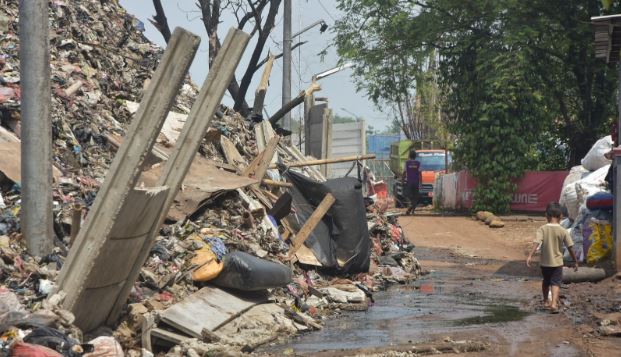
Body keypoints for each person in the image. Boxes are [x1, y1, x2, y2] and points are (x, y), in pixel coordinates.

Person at [526, 202, 578, 313]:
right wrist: (575, 260)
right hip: (557, 263)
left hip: (545, 263)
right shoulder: (563, 230)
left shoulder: (542, 229)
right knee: (556, 283)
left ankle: (545, 301)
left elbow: (536, 242)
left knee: (546, 281)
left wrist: (530, 255)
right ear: (561, 216)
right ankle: (554, 304)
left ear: (546, 215)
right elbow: (570, 247)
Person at [404, 150, 421, 215]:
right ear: (415, 156)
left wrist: (403, 181)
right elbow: (420, 173)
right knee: (415, 197)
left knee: (408, 196)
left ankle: (410, 207)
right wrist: (421, 182)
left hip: (409, 182)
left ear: (409, 156)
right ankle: (412, 210)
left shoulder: (407, 163)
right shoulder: (418, 163)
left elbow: (404, 172)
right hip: (416, 182)